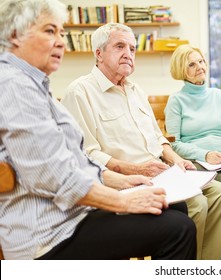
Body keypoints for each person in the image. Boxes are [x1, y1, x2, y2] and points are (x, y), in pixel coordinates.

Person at [0, 0, 196, 260]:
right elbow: (55, 176)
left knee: (176, 207)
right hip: (47, 235)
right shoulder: (15, 86)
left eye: (61, 32)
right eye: (50, 31)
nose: (61, 41)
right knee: (179, 229)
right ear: (15, 35)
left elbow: (74, 161)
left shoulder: (34, 85)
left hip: (71, 215)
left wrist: (121, 182)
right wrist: (125, 200)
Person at [61, 23, 221, 260]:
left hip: (160, 171)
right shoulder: (79, 92)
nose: (128, 54)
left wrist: (177, 160)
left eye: (132, 48)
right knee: (198, 203)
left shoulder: (136, 90)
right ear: (99, 53)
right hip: (130, 179)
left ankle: (206, 264)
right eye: (120, 46)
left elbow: (157, 138)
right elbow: (87, 154)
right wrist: (136, 169)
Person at [165, 44, 221, 259]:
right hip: (197, 160)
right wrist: (204, 155)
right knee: (220, 188)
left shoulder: (217, 95)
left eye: (201, 61)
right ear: (181, 70)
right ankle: (218, 252)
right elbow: (175, 143)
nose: (199, 67)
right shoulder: (176, 101)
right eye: (192, 64)